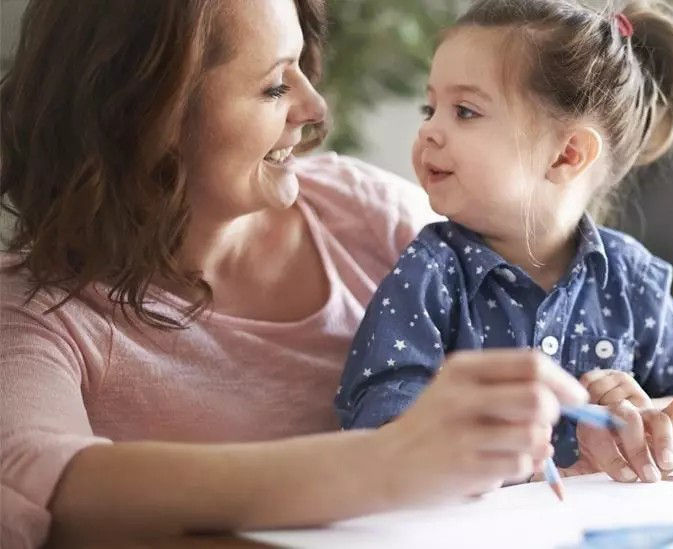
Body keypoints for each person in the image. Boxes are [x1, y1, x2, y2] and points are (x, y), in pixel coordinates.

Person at [0, 1, 596, 547]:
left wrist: (603, 406)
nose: (315, 110)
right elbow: (43, 481)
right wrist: (387, 462)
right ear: (149, 114)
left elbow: (541, 335)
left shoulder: (368, 215)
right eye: (274, 86)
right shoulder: (36, 315)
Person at [336, 0, 673, 483]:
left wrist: (650, 425)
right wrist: (473, 442)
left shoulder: (630, 277)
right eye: (431, 107)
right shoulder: (430, 272)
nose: (428, 130)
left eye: (464, 111)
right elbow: (377, 414)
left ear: (567, 155)